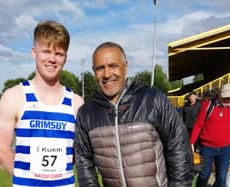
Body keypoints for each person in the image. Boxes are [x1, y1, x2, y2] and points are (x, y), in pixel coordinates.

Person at [74, 41, 193, 187]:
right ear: (94, 72)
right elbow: (84, 163)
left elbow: (179, 150)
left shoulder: (153, 100)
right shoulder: (86, 114)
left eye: (113, 66)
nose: (106, 74)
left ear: (125, 67)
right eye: (100, 68)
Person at [0, 20, 84, 187]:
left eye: (59, 53)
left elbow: (75, 153)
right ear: (34, 52)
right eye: (46, 51)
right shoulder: (14, 96)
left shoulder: (76, 102)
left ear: (65, 57)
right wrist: (29, 180)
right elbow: (2, 149)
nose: (52, 59)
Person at [190, 84, 230, 187]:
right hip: (207, 148)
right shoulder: (208, 105)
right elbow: (198, 124)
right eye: (225, 98)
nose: (227, 101)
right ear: (219, 95)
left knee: (222, 178)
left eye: (229, 98)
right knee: (204, 176)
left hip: (225, 149)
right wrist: (191, 142)